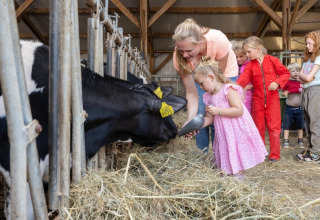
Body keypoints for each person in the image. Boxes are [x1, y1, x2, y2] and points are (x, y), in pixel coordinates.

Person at [192, 56, 268, 178]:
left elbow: (239, 110)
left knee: (236, 160)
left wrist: (219, 111)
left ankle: (238, 184)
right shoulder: (209, 96)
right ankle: (227, 180)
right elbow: (209, 118)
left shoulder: (228, 89)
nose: (201, 87)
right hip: (224, 134)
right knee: (226, 159)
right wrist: (197, 126)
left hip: (236, 131)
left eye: (201, 83)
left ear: (211, 78)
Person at [172, 18, 238, 153]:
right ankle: (202, 154)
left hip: (223, 75)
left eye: (189, 50)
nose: (184, 55)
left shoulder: (218, 40)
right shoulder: (179, 57)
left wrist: (213, 112)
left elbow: (217, 84)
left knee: (219, 114)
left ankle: (219, 154)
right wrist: (191, 122)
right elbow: (191, 92)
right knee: (199, 113)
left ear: (200, 42)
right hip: (200, 76)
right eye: (180, 50)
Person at [237, 36, 290, 162]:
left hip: (273, 101)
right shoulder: (250, 66)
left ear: (258, 49)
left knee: (274, 128)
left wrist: (277, 82)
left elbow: (285, 73)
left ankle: (274, 155)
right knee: (258, 128)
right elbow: (243, 79)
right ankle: (260, 154)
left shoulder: (272, 60)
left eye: (249, 52)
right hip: (257, 101)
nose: (247, 55)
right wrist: (232, 88)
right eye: (246, 53)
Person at [296, 30, 320, 162]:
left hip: (316, 91)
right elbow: (301, 78)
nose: (307, 46)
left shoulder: (319, 58)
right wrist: (304, 77)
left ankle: (316, 153)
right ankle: (312, 148)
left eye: (309, 43)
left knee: (315, 123)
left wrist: (303, 76)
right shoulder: (307, 60)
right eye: (306, 43)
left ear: (317, 44)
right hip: (306, 91)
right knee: (308, 121)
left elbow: (307, 76)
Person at [281, 62, 305, 149]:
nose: (296, 72)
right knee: (286, 125)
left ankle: (300, 140)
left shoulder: (302, 82)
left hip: (299, 108)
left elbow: (302, 89)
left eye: (298, 71)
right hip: (289, 108)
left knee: (300, 125)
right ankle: (286, 140)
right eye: (293, 71)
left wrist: (291, 91)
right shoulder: (288, 82)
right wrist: (285, 93)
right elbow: (283, 92)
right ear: (289, 72)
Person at [232, 40, 253, 114]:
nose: (238, 59)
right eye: (236, 56)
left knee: (245, 114)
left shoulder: (251, 65)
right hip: (234, 94)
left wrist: (247, 87)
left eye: (241, 56)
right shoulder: (233, 65)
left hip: (247, 95)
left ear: (246, 55)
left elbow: (256, 82)